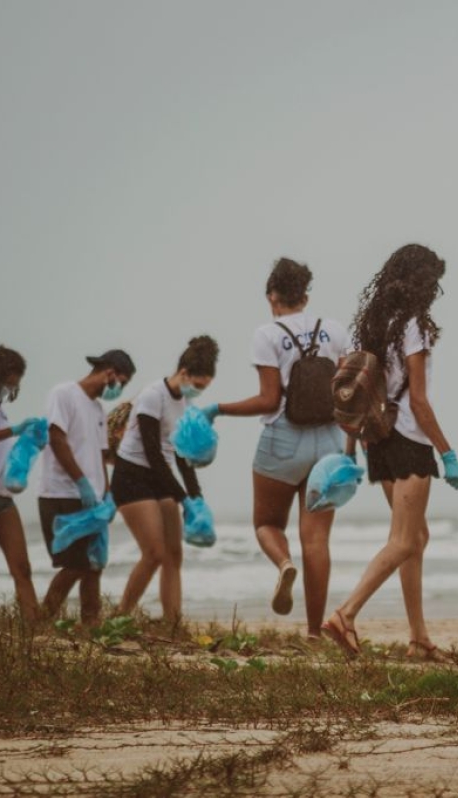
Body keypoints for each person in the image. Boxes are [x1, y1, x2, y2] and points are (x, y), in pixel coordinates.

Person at [322, 244, 458, 661]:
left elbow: (355, 395)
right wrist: (448, 453)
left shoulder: (368, 326)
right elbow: (418, 401)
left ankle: (419, 639)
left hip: (377, 442)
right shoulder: (413, 326)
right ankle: (345, 614)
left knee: (415, 538)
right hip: (407, 441)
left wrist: (351, 451)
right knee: (404, 540)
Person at [202, 258, 349, 637]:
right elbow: (347, 392)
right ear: (305, 296)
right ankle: (315, 632)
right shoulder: (334, 330)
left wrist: (219, 409)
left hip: (283, 439)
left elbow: (268, 400)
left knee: (267, 523)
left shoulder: (267, 335)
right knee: (316, 539)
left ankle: (284, 564)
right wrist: (352, 446)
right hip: (330, 442)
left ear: (272, 296)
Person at [112, 336, 218, 624]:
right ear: (183, 373)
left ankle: (173, 623)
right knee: (154, 553)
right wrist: (183, 498)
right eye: (197, 385)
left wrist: (196, 497)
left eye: (204, 387)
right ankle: (119, 617)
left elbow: (183, 456)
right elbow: (153, 453)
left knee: (173, 554)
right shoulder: (152, 396)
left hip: (161, 478)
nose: (198, 391)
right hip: (132, 476)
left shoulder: (185, 403)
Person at [38, 349, 136, 625]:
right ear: (109, 373)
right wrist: (81, 481)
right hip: (61, 493)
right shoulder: (64, 394)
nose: (119, 389)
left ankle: (91, 626)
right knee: (75, 564)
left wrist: (108, 494)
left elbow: (100, 456)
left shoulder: (98, 410)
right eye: (121, 382)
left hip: (94, 501)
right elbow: (57, 438)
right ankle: (39, 625)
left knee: (94, 565)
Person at [0, 346, 45, 622]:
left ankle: (34, 630)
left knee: (22, 568)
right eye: (9, 381)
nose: (12, 387)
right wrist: (14, 430)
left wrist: (29, 443)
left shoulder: (0, 411)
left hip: (3, 498)